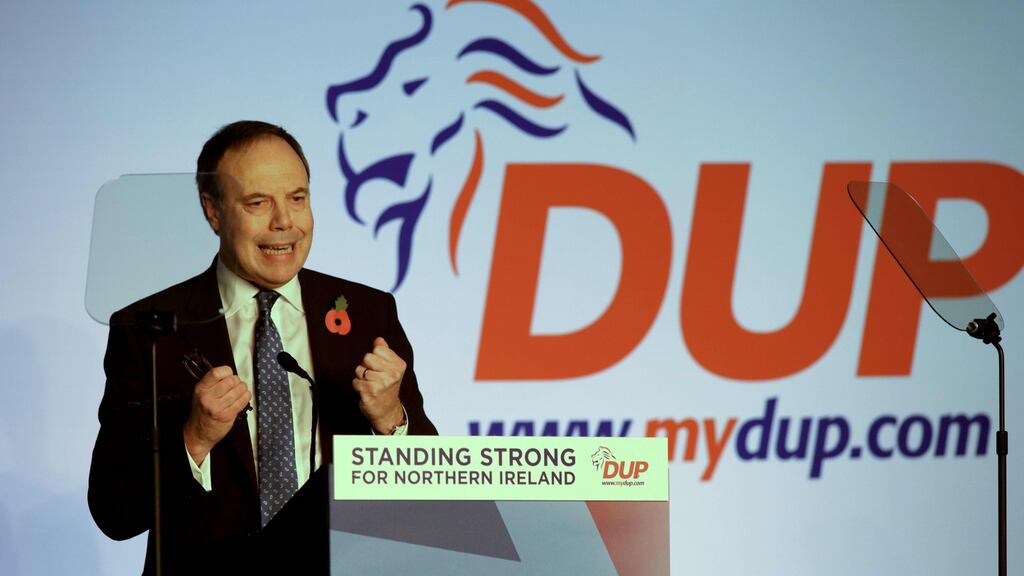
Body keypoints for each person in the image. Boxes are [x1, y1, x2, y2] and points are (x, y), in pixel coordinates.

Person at [88, 120, 436, 574]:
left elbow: (431, 495)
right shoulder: (151, 329)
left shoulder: (367, 314)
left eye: (298, 198)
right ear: (212, 211)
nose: (285, 222)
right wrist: (194, 438)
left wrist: (391, 419)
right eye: (258, 203)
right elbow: (114, 511)